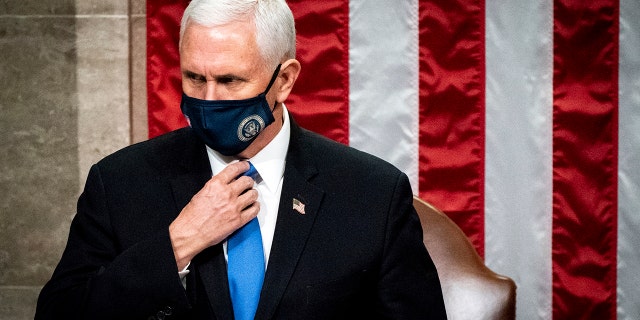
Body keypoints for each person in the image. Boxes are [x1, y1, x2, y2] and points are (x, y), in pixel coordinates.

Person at [35, 0, 447, 319]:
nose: (208, 99)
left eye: (229, 80)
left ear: (284, 80)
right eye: (195, 78)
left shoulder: (372, 193)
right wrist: (178, 244)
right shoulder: (120, 183)